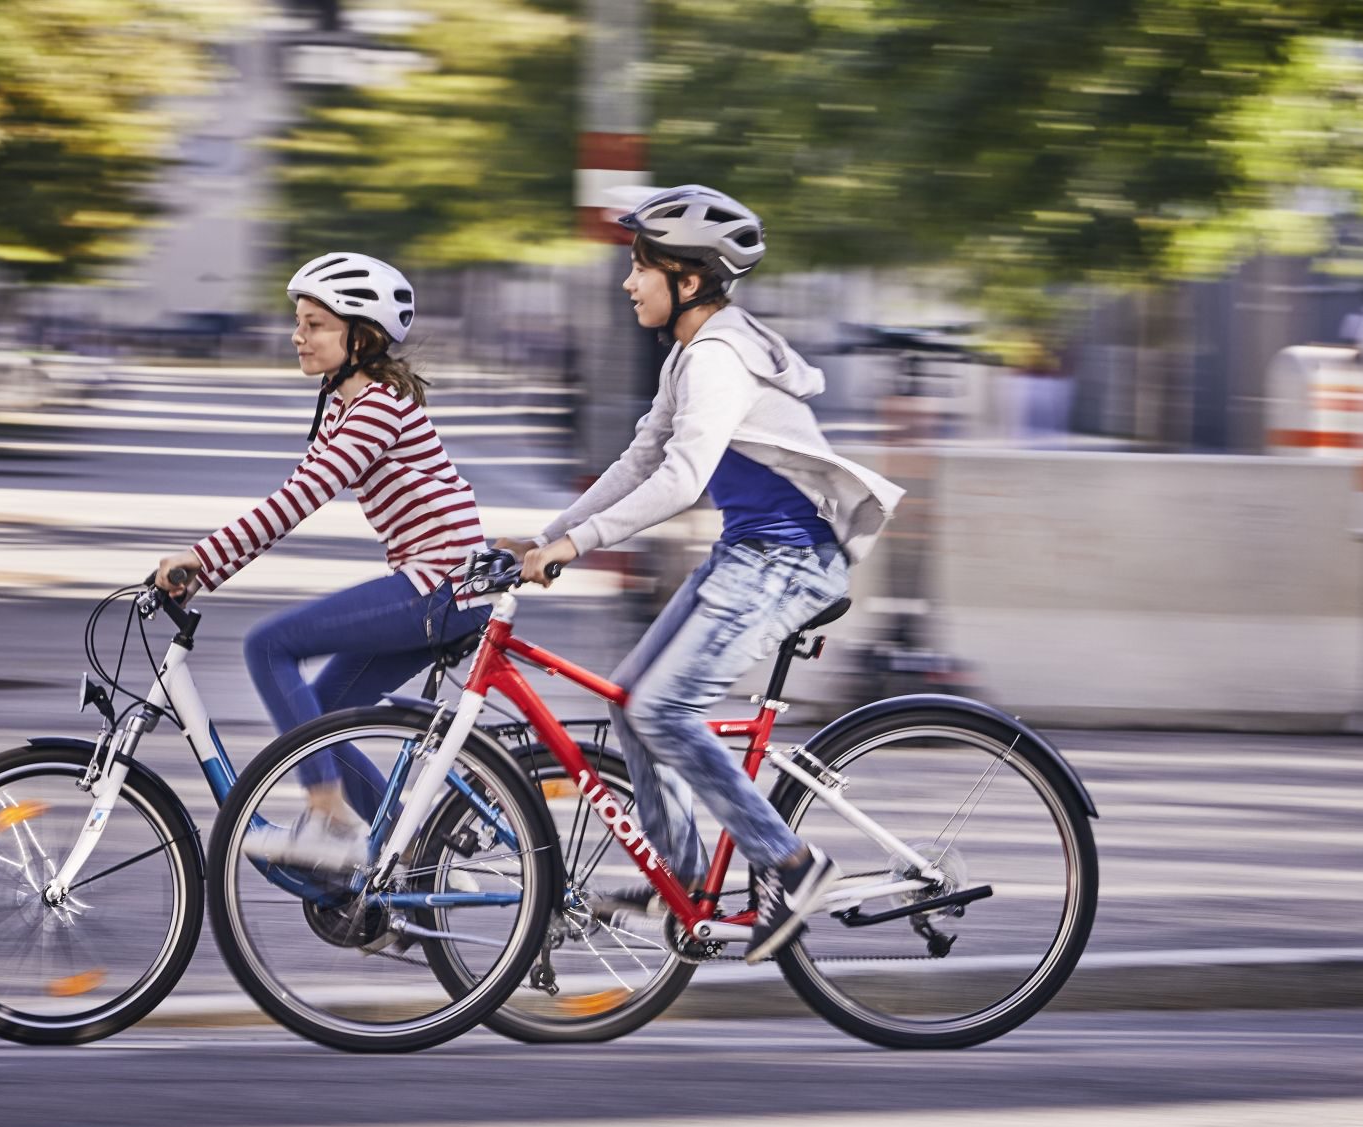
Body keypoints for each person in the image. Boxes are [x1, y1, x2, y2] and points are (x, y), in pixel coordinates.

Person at [511, 185, 904, 964]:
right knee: (632, 702)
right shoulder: (694, 350)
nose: (628, 283)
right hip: (748, 554)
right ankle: (683, 881)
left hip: (788, 560)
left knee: (663, 711)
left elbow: (682, 478)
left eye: (641, 267)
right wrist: (543, 540)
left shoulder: (717, 358)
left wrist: (577, 545)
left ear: (688, 280)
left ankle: (791, 864)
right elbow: (640, 459)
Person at [154, 252, 489, 868]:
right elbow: (297, 491)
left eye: (313, 323)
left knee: (268, 647)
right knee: (319, 717)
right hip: (437, 583)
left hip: (439, 585)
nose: (296, 335)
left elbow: (295, 502)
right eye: (298, 321)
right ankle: (401, 856)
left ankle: (330, 817)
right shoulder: (348, 404)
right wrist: (209, 570)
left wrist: (199, 562)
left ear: (359, 337)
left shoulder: (377, 409)